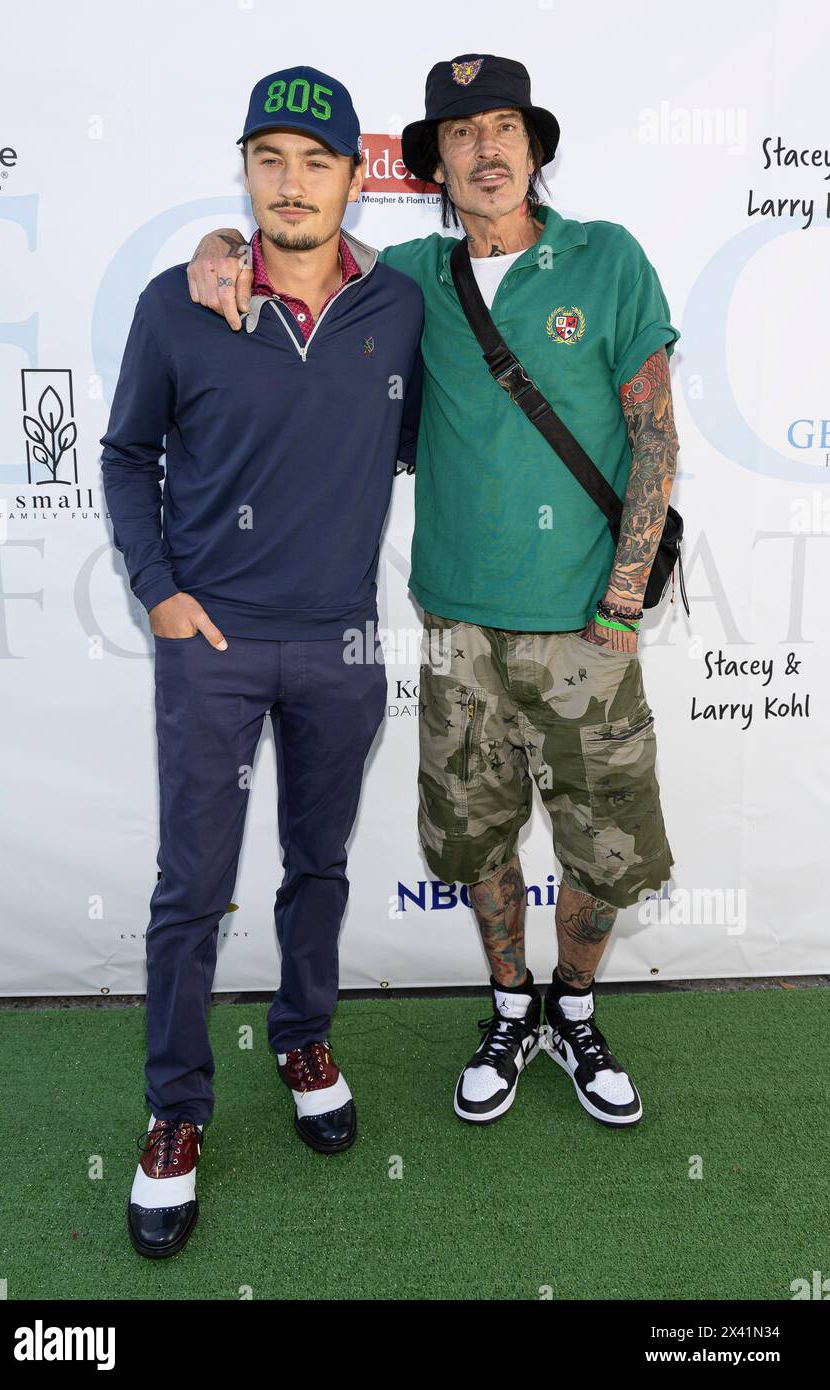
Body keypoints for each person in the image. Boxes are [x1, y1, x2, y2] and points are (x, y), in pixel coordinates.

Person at [185, 53, 681, 1134]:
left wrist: (618, 606)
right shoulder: (408, 281)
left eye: (503, 126)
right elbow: (295, 252)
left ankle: (576, 1006)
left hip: (589, 631)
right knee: (475, 842)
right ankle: (509, 1006)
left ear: (534, 148)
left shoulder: (606, 260)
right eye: (461, 134)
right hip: (455, 626)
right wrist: (217, 246)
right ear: (434, 167)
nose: (486, 149)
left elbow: (654, 440)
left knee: (604, 852)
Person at [100, 65, 423, 1259]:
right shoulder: (177, 302)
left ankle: (301, 1033)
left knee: (316, 864)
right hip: (212, 647)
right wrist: (160, 594)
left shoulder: (399, 305)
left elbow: (409, 438)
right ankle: (174, 1114)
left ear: (353, 176)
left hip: (340, 640)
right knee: (191, 888)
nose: (291, 186)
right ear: (243, 166)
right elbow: (128, 453)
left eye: (317, 162)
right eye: (268, 161)